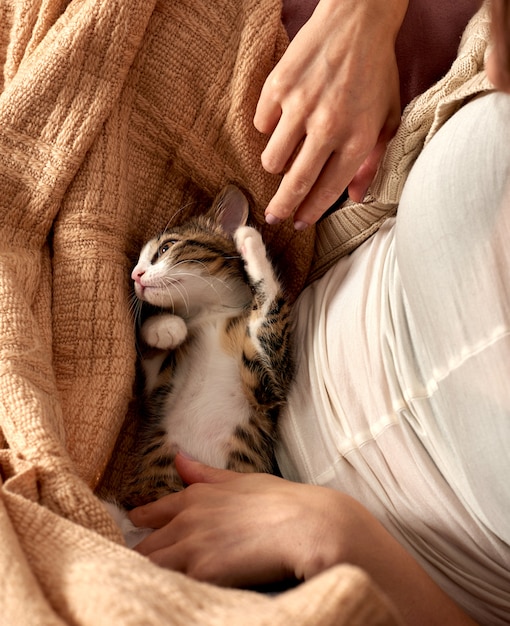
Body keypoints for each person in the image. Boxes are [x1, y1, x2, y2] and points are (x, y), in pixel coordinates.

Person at [127, 1, 510, 624]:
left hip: (351, 582)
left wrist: (331, 534)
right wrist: (364, 14)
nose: (499, 65)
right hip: (296, 291)